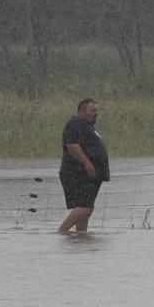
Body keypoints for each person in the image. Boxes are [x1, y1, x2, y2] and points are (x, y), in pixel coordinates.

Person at [57, 98, 109, 234]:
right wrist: (87, 163)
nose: (95, 113)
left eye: (96, 111)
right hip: (78, 173)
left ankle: (81, 237)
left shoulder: (87, 126)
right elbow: (72, 146)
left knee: (85, 211)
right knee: (85, 208)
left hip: (90, 174)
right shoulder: (75, 124)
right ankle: (61, 231)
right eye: (92, 110)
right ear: (82, 111)